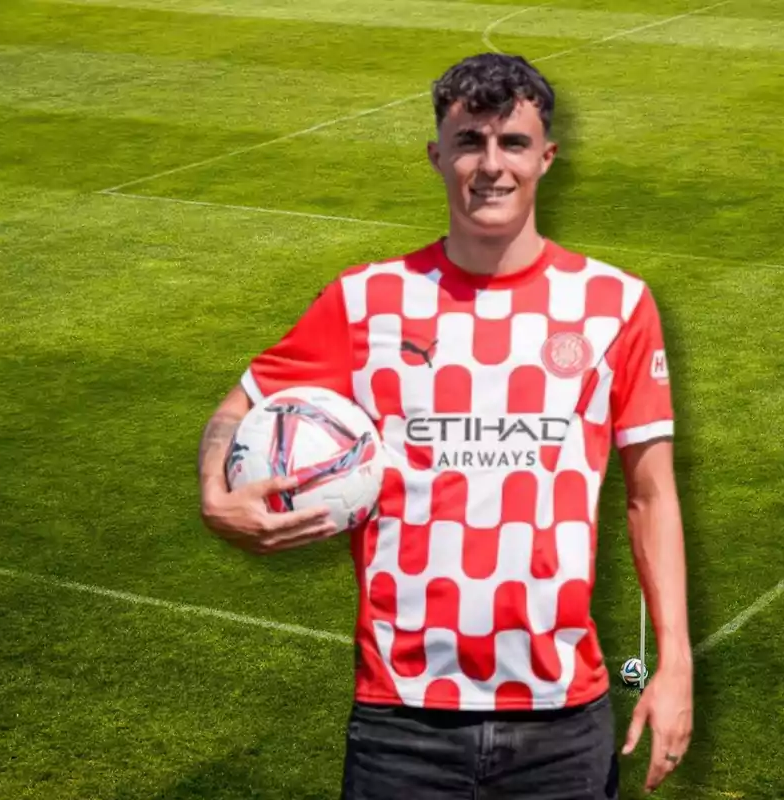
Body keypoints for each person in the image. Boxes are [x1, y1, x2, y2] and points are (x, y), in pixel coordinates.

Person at [197, 53, 692, 799]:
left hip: (562, 718)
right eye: (469, 142)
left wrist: (674, 665)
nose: (491, 165)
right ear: (438, 156)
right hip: (402, 720)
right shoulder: (367, 301)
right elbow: (238, 405)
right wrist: (215, 492)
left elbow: (650, 495)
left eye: (513, 144)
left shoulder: (616, 305)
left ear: (546, 158)